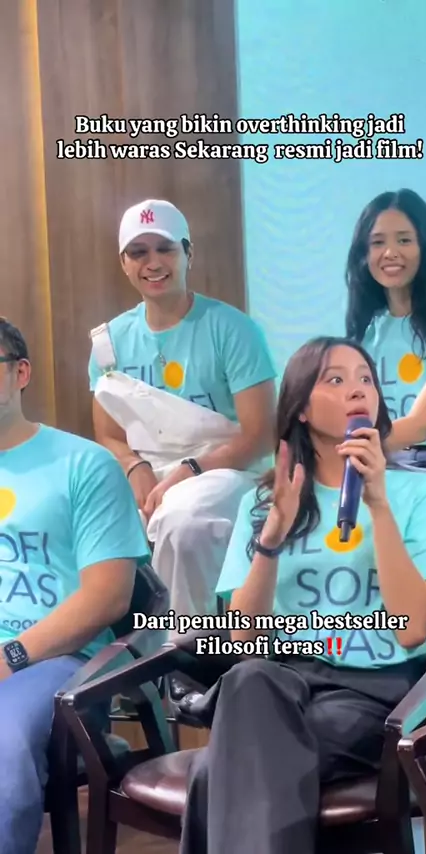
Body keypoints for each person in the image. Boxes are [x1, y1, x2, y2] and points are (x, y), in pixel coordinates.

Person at [178, 336, 426, 854]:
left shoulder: (421, 494)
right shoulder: (265, 500)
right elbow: (242, 639)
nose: (357, 390)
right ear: (302, 409)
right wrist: (271, 539)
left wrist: (378, 505)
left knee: (219, 769)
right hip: (281, 678)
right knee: (248, 678)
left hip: (372, 690)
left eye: (365, 379)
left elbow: (412, 629)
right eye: (335, 379)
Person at [0, 318, 151, 854]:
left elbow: (108, 596)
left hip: (52, 662)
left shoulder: (83, 464)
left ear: (21, 373)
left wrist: (10, 656)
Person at [88, 198, 276, 620]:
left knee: (184, 519)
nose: (153, 262)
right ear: (124, 263)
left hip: (230, 472)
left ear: (189, 254)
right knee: (95, 519)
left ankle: (184, 646)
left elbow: (261, 435)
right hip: (149, 475)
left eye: (165, 249)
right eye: (139, 252)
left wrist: (189, 470)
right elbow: (110, 435)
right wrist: (134, 466)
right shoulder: (108, 343)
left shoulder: (234, 331)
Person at [345, 188, 426, 508]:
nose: (390, 252)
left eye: (404, 240)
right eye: (378, 242)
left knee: (409, 508)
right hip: (392, 460)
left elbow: (422, 424)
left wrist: (346, 450)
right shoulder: (367, 331)